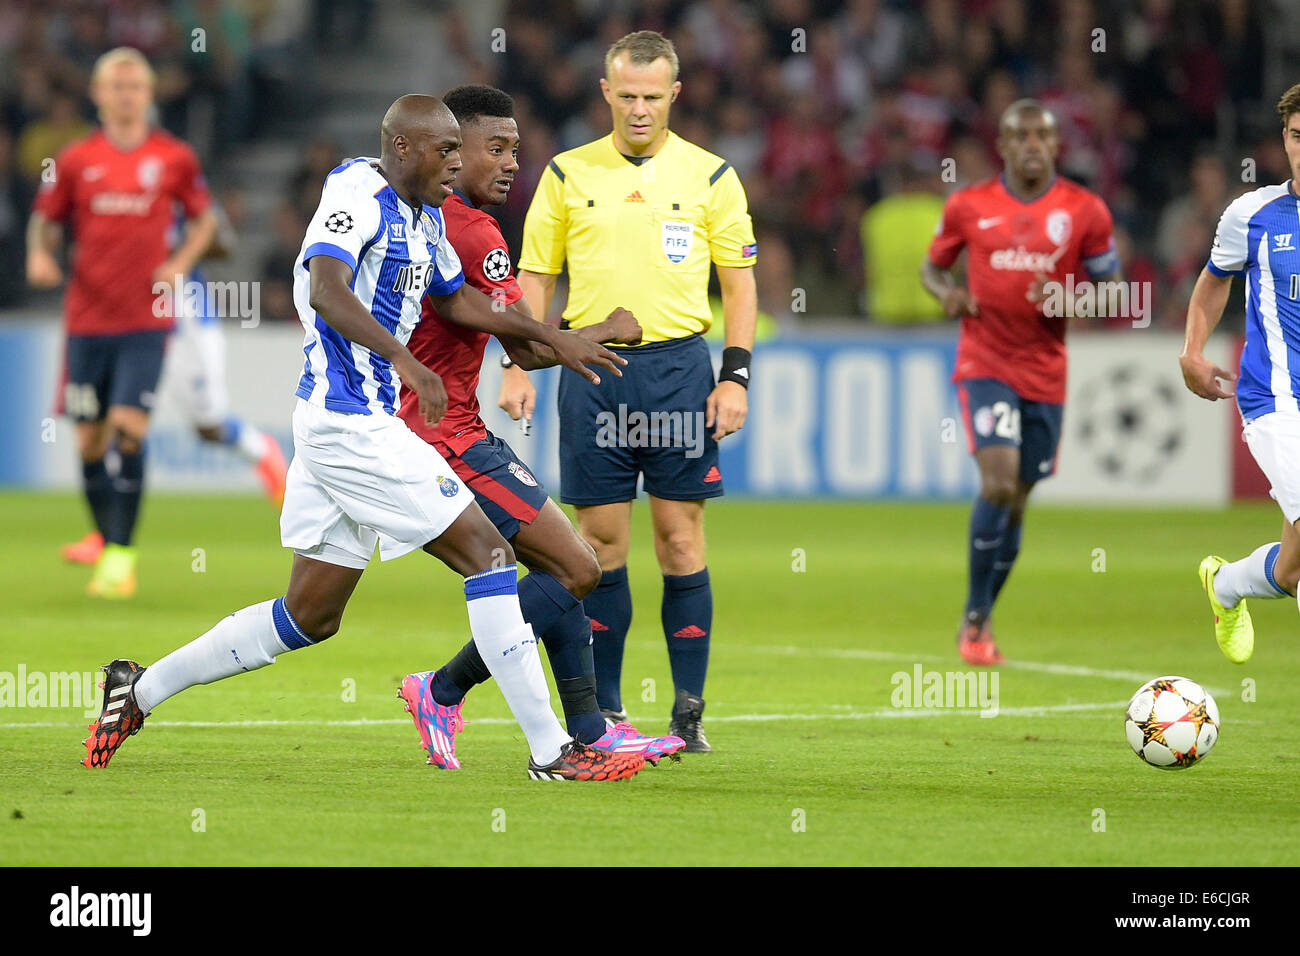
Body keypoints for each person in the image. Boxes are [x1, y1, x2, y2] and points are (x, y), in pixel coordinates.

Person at [82, 94, 646, 783]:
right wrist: (405, 359)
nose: (454, 166)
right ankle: (553, 751)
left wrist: (556, 336)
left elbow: (456, 301)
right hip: (350, 420)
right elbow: (327, 288)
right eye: (445, 152)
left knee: (311, 614)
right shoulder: (358, 190)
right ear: (404, 148)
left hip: (350, 423)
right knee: (491, 556)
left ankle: (136, 690)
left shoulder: (427, 216)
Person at [392, 85, 684, 769]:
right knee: (578, 566)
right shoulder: (473, 232)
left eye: (515, 150)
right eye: (495, 148)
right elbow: (524, 350)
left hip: (423, 431)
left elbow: (510, 342)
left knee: (564, 562)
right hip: (446, 438)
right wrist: (603, 329)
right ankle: (443, 689)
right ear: (452, 151)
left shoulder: (424, 218)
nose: (510, 163)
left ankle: (587, 731)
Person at [511, 31, 759, 752]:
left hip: (680, 374)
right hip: (593, 372)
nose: (641, 108)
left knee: (681, 538)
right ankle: (613, 714)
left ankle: (688, 712)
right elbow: (536, 277)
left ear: (675, 94)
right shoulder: (566, 173)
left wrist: (735, 376)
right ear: (606, 92)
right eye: (628, 96)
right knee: (600, 544)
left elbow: (740, 286)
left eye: (654, 96)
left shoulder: (712, 177)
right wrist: (521, 360)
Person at [922, 99, 1120, 665]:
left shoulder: (1085, 210)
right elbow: (932, 267)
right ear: (1002, 146)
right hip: (985, 362)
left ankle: (980, 617)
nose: (1032, 144)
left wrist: (1070, 296)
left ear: (1056, 145)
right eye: (1020, 135)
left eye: (1042, 135)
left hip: (1046, 372)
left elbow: (1116, 291)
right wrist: (947, 294)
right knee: (1000, 481)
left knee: (1019, 499)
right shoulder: (968, 206)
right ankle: (974, 618)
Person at [28, 47, 218, 598]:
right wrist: (40, 256)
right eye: (117, 85)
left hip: (146, 321)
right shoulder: (75, 159)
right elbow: (46, 219)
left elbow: (203, 220)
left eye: (136, 85)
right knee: (88, 442)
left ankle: (120, 556)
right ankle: (104, 535)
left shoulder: (174, 157)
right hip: (87, 324)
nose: (126, 93)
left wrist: (180, 263)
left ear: (149, 94)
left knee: (129, 432)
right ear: (98, 93)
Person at [62, 201, 289, 571]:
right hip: (127, 321)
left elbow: (223, 243)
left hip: (184, 323)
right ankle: (107, 534)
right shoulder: (106, 191)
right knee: (114, 426)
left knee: (209, 426)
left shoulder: (176, 186)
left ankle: (261, 451)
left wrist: (178, 243)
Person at [1185, 83, 1300, 664]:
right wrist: (1193, 349)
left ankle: (1225, 585)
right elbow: (1215, 277)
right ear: (1285, 139)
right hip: (1275, 402)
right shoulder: (1251, 214)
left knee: (1291, 569)